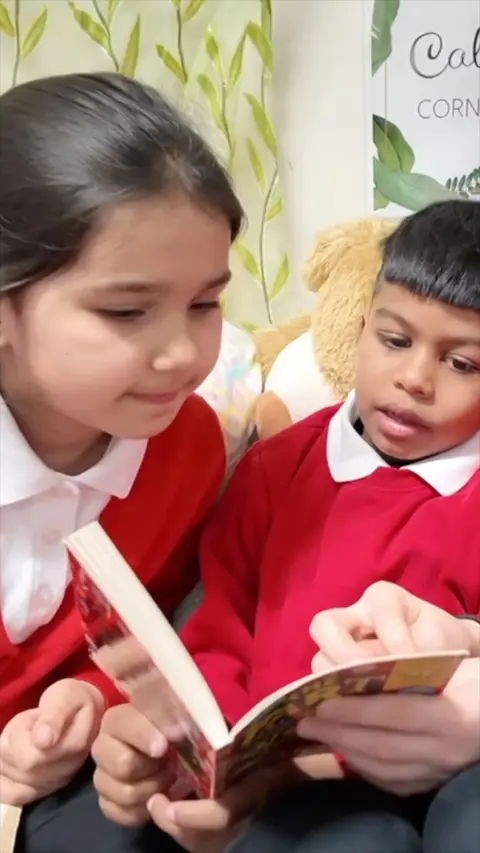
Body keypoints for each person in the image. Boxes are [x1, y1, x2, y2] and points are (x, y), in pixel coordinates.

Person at [92, 200, 480, 852]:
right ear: (359, 329)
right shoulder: (276, 468)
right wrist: (208, 758)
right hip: (293, 785)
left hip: (453, 771)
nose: (413, 379)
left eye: (462, 363)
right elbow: (221, 630)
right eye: (393, 340)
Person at [0, 71, 244, 853]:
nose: (182, 353)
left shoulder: (189, 443)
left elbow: (150, 632)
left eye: (206, 303)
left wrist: (87, 696)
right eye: (126, 311)